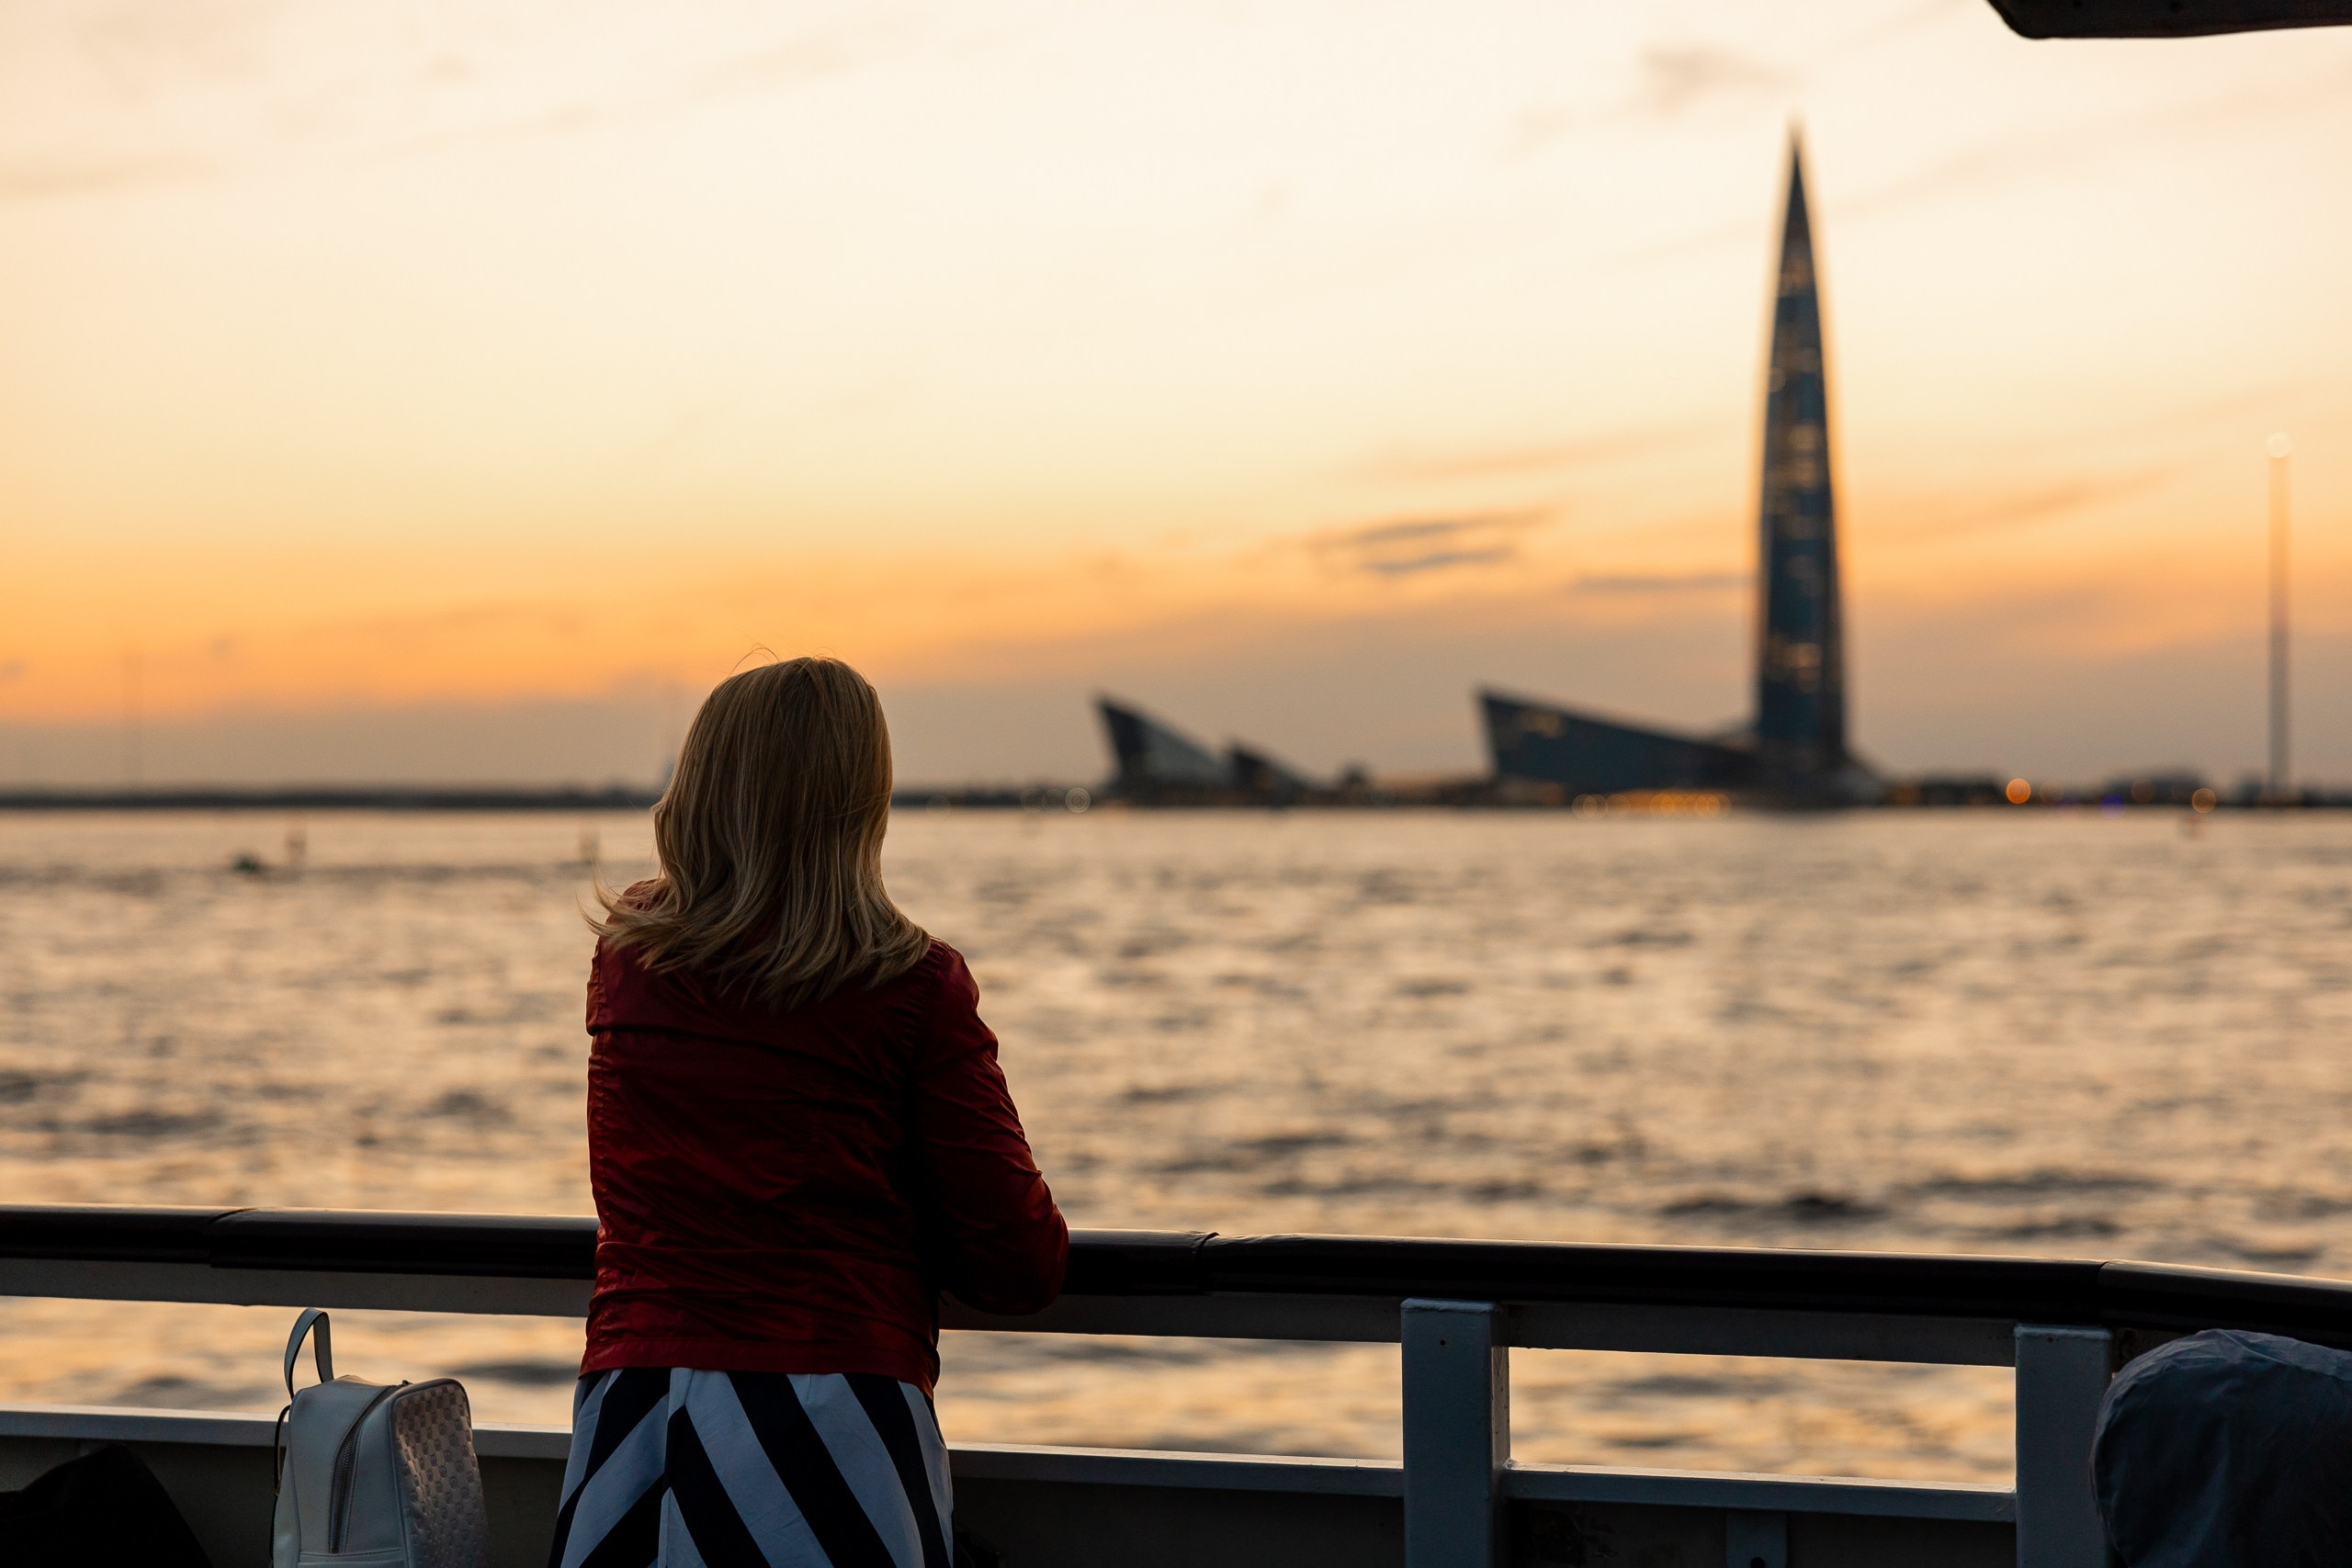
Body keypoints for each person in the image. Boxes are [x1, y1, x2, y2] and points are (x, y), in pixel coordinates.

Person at [549, 657, 1068, 1568]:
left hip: (636, 1405)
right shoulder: (909, 985)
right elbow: (1016, 1261)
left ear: (701, 784)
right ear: (861, 802)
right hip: (834, 1415)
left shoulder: (630, 958)